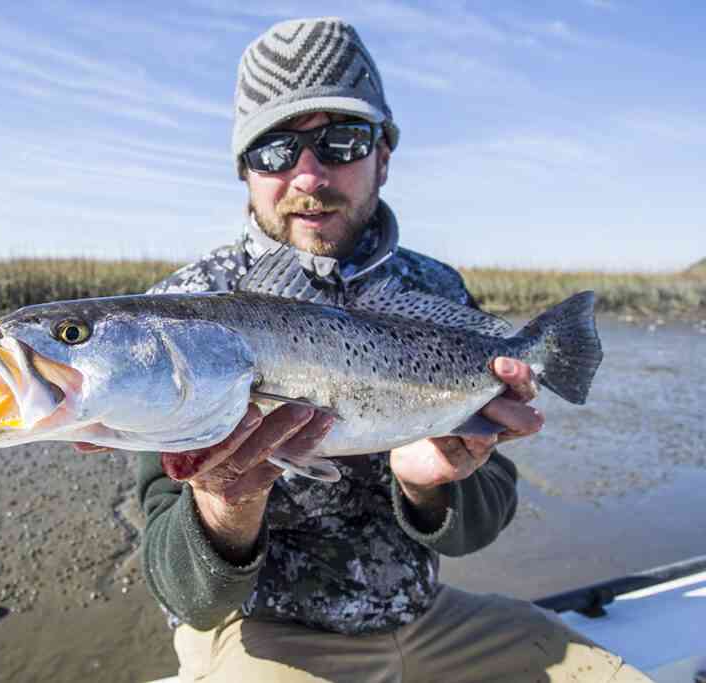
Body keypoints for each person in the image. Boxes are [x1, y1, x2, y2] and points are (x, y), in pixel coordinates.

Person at [90, 17, 650, 682]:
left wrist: (429, 483)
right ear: (244, 171)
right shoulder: (175, 317)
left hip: (425, 617)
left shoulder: (437, 290)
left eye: (342, 140)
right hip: (261, 637)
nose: (307, 173)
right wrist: (224, 505)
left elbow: (485, 518)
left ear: (383, 154)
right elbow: (186, 592)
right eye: (274, 149)